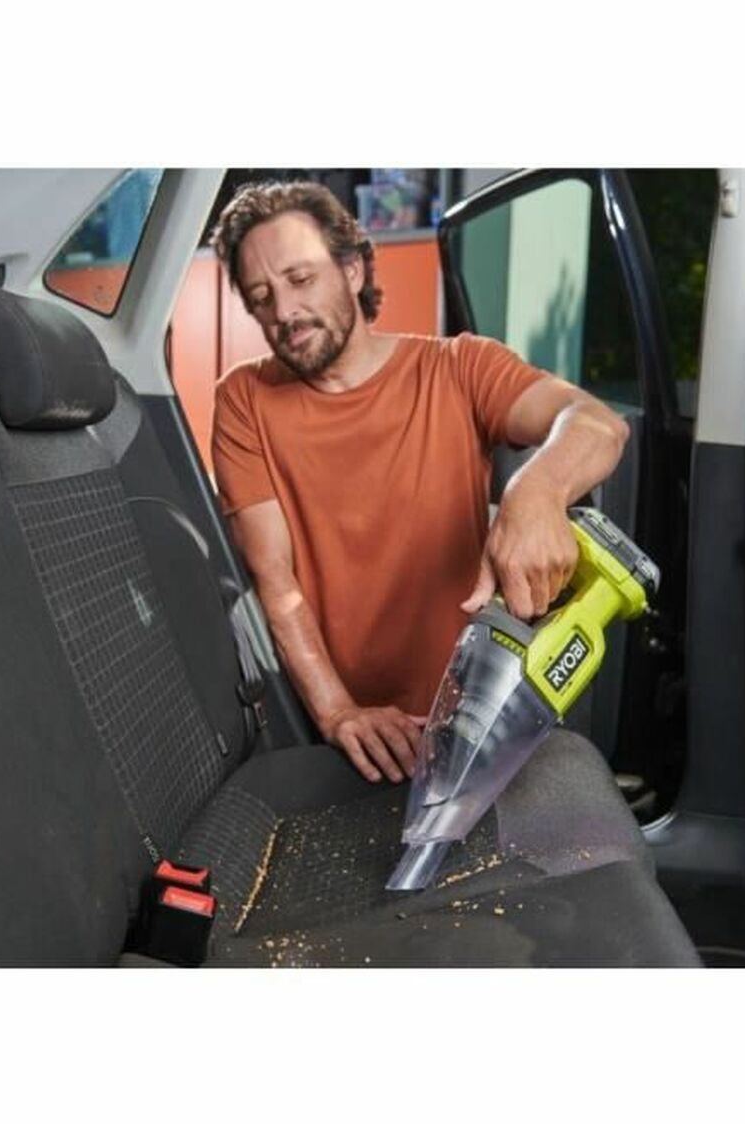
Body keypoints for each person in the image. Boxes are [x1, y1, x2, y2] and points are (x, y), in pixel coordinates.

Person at [209, 181, 629, 787]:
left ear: (352, 269)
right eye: (261, 296)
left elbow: (597, 424)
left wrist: (534, 493)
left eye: (301, 279)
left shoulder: (461, 368)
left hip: (476, 716)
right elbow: (277, 582)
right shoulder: (243, 400)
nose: (284, 311)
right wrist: (338, 713)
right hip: (345, 736)